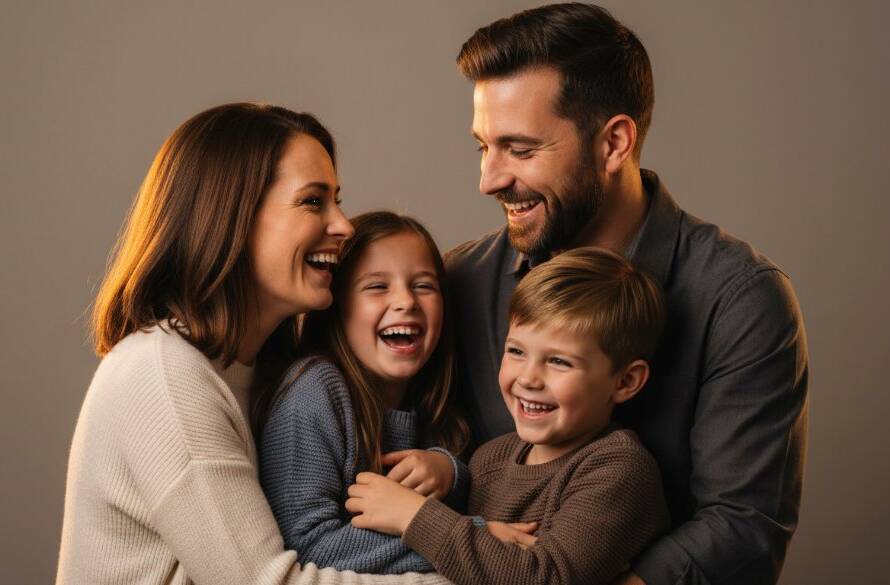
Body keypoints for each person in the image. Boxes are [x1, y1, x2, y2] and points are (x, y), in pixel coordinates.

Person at [445, 4, 809, 585]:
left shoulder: (739, 298)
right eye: (482, 146)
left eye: (520, 149)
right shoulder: (461, 282)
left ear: (614, 143)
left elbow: (742, 527)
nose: (488, 179)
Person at [56, 103, 451, 585]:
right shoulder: (164, 376)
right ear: (233, 216)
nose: (344, 225)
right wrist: (479, 566)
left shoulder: (261, 372)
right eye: (313, 202)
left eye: (337, 201)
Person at [345, 247, 671, 585]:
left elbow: (545, 577)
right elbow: (467, 559)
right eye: (516, 351)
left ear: (625, 381)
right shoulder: (490, 458)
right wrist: (443, 469)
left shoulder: (618, 468)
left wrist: (412, 514)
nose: (528, 378)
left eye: (559, 361)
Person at [256, 211, 470, 574]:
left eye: (424, 285)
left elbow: (471, 493)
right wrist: (469, 543)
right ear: (338, 307)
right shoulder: (313, 390)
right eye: (377, 286)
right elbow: (308, 544)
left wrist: (450, 472)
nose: (406, 301)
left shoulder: (431, 402)